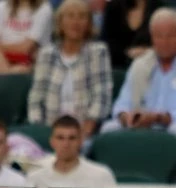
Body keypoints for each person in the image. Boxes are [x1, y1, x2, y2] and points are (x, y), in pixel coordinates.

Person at [102, 7, 176, 187]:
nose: (164, 42)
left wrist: (161, 118)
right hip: (142, 125)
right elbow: (121, 104)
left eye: (171, 36)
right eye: (159, 36)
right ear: (152, 37)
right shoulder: (140, 65)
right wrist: (126, 116)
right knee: (109, 128)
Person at [27, 0, 112, 140]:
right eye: (70, 16)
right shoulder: (46, 54)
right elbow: (35, 98)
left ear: (89, 23)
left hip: (84, 131)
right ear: (60, 22)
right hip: (49, 129)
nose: (76, 22)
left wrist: (87, 128)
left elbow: (102, 96)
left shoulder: (98, 52)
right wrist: (40, 129)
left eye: (81, 16)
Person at [102, 0, 162, 70]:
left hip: (150, 66)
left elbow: (164, 41)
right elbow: (106, 44)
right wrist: (127, 53)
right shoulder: (113, 7)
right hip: (118, 67)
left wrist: (147, 52)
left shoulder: (158, 7)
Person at [0, 0, 51, 74]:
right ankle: (9, 73)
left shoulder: (43, 9)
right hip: (3, 59)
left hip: (30, 61)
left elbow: (26, 48)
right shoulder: (2, 7)